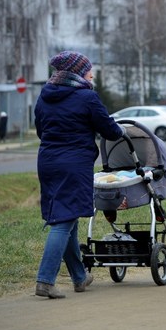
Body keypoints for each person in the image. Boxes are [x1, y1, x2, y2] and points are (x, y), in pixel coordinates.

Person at [34, 51, 125, 298]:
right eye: (88, 70)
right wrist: (120, 131)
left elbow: (41, 130)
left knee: (67, 216)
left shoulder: (44, 96)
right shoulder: (87, 97)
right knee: (62, 222)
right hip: (74, 164)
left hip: (48, 162)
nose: (92, 74)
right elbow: (109, 130)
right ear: (76, 73)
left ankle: (79, 276)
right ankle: (45, 280)